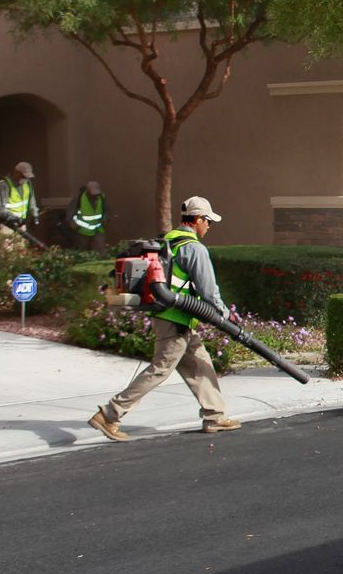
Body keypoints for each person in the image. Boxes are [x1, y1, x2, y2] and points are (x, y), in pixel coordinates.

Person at [88, 195, 242, 441]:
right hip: (175, 319)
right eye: (208, 221)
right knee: (160, 369)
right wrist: (226, 315)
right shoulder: (194, 248)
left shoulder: (167, 240)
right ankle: (109, 414)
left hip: (172, 316)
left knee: (200, 364)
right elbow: (208, 291)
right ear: (198, 220)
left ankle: (215, 416)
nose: (209, 226)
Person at [0, 161, 39, 238]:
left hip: (21, 226)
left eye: (27, 177)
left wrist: (35, 216)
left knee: (21, 250)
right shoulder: (3, 185)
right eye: (23, 176)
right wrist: (15, 219)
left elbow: (32, 201)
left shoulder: (28, 183)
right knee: (7, 250)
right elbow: (0, 210)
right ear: (16, 172)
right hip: (6, 227)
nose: (25, 179)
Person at [66, 180, 109, 253]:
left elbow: (106, 210)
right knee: (82, 252)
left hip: (97, 229)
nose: (96, 196)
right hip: (82, 231)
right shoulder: (78, 199)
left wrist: (105, 218)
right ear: (87, 192)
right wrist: (73, 224)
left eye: (97, 194)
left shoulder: (101, 198)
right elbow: (70, 214)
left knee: (100, 251)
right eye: (93, 194)